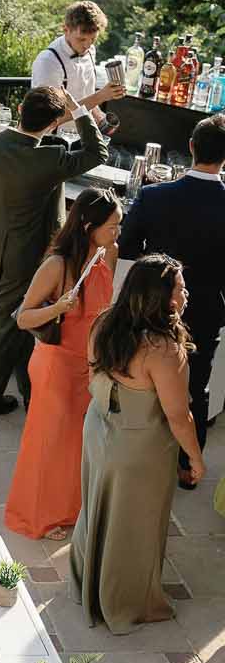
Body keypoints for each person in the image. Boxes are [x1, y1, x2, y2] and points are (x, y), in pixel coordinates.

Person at [70, 254, 204, 633]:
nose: (186, 293)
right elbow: (179, 417)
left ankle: (86, 586)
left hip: (98, 430)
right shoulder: (163, 350)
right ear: (160, 297)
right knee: (136, 527)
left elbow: (94, 378)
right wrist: (195, 459)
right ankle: (127, 603)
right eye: (180, 287)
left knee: (96, 507)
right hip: (139, 447)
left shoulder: (104, 323)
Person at [0, 84, 108, 419]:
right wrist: (80, 110)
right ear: (53, 124)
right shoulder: (49, 159)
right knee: (8, 326)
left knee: (19, 322)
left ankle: (31, 394)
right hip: (23, 260)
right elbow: (96, 153)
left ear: (19, 110)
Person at [4, 187, 120, 538]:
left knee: (75, 444)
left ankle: (67, 512)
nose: (117, 234)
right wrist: (57, 308)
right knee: (48, 444)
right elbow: (23, 318)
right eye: (112, 226)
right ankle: (37, 516)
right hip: (56, 366)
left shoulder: (107, 255)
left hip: (88, 365)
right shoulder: (56, 266)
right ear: (88, 226)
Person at [118, 112, 225, 480]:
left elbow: (126, 247)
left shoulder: (153, 195)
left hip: (150, 306)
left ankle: (140, 453)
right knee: (196, 386)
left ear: (191, 147)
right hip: (207, 308)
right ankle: (186, 467)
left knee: (140, 379)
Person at [29, 1, 125, 120]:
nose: (87, 45)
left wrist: (99, 117)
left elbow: (86, 96)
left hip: (84, 133)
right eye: (81, 39)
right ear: (66, 29)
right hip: (56, 137)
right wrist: (101, 96)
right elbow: (49, 117)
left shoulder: (90, 50)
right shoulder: (48, 62)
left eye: (93, 39)